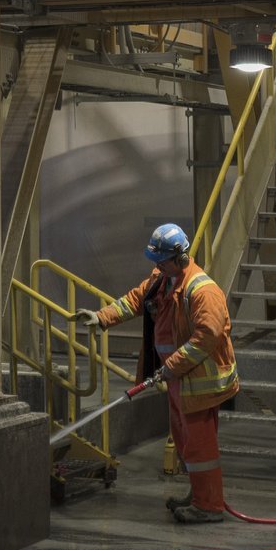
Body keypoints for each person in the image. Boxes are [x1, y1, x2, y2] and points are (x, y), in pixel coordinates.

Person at [94, 222, 238, 523]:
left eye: (161, 260)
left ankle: (209, 507)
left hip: (198, 383)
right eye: (155, 261)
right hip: (177, 380)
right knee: (186, 442)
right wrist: (100, 318)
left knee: (200, 446)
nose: (156, 266)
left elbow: (205, 339)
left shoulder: (203, 291)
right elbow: (136, 299)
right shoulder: (163, 279)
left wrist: (171, 366)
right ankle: (199, 495)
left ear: (181, 257)